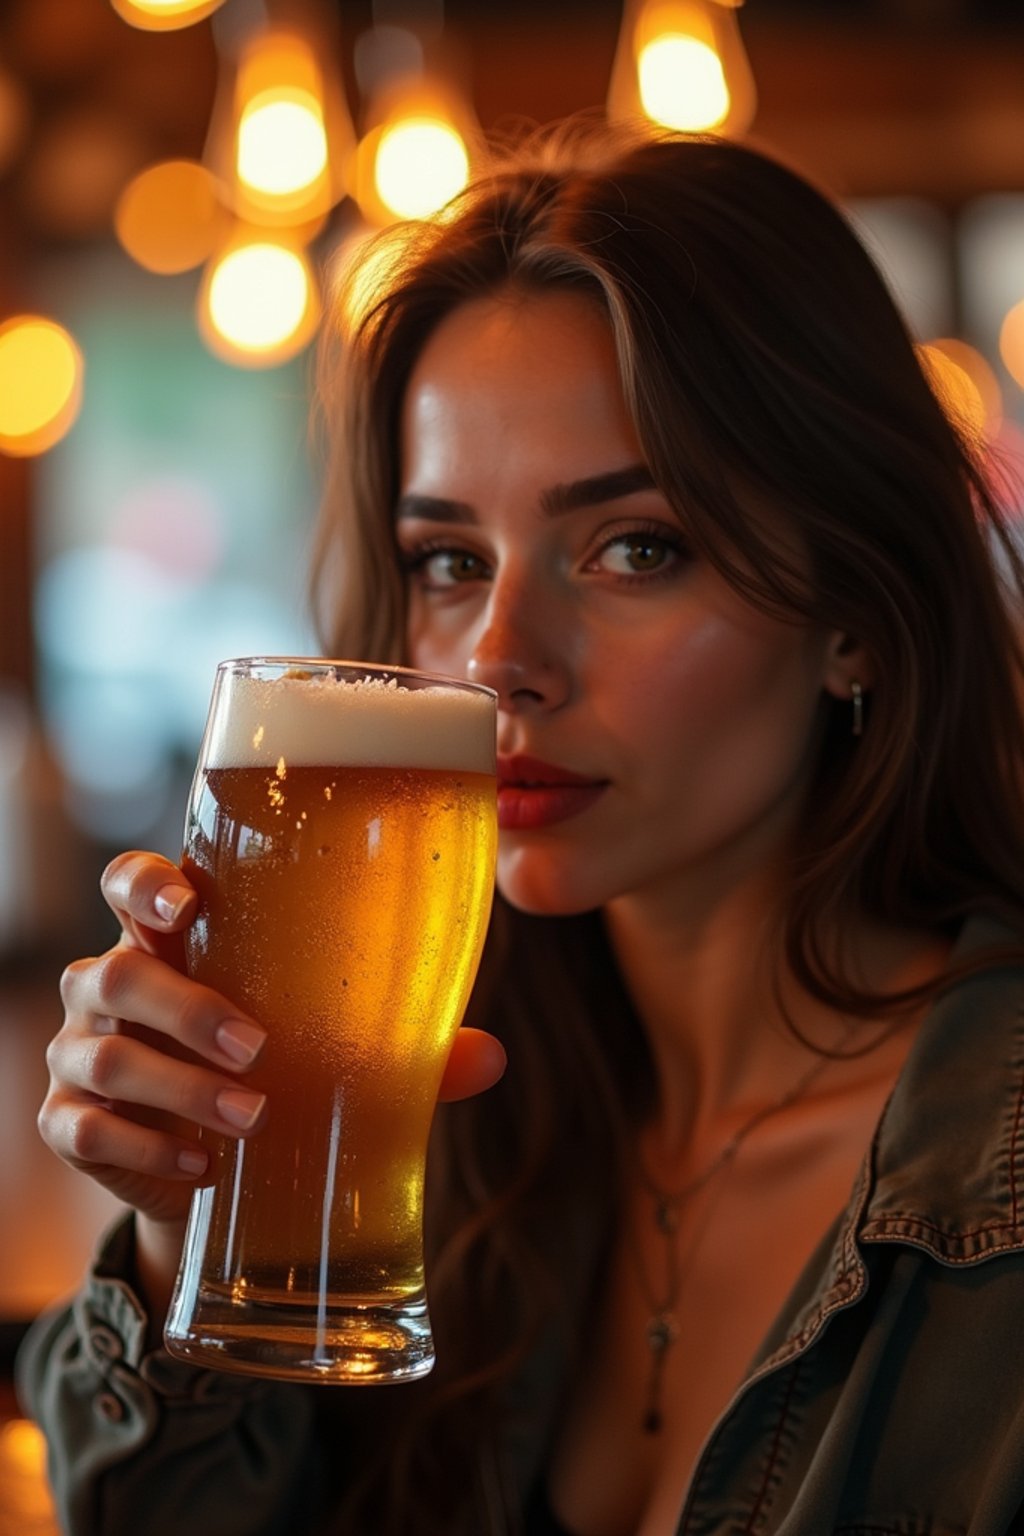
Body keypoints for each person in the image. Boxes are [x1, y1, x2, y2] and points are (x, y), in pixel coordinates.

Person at [18, 118, 1024, 1536]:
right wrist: (193, 1228)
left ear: (855, 615)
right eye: (447, 560)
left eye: (634, 547)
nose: (499, 659)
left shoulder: (996, 1183)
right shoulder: (449, 1127)